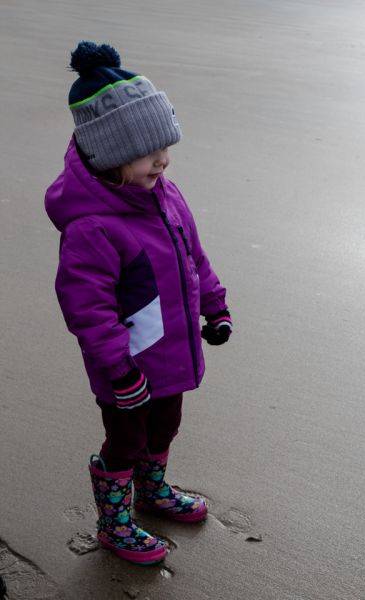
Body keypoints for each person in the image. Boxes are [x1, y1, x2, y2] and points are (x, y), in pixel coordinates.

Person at [44, 41, 233, 565]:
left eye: (165, 147)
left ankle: (152, 491)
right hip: (126, 369)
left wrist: (215, 306)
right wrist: (120, 371)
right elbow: (87, 310)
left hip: (172, 355)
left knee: (165, 425)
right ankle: (114, 523)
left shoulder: (165, 195)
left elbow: (194, 257)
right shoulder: (92, 228)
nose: (163, 160)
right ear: (111, 155)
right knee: (126, 439)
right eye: (149, 153)